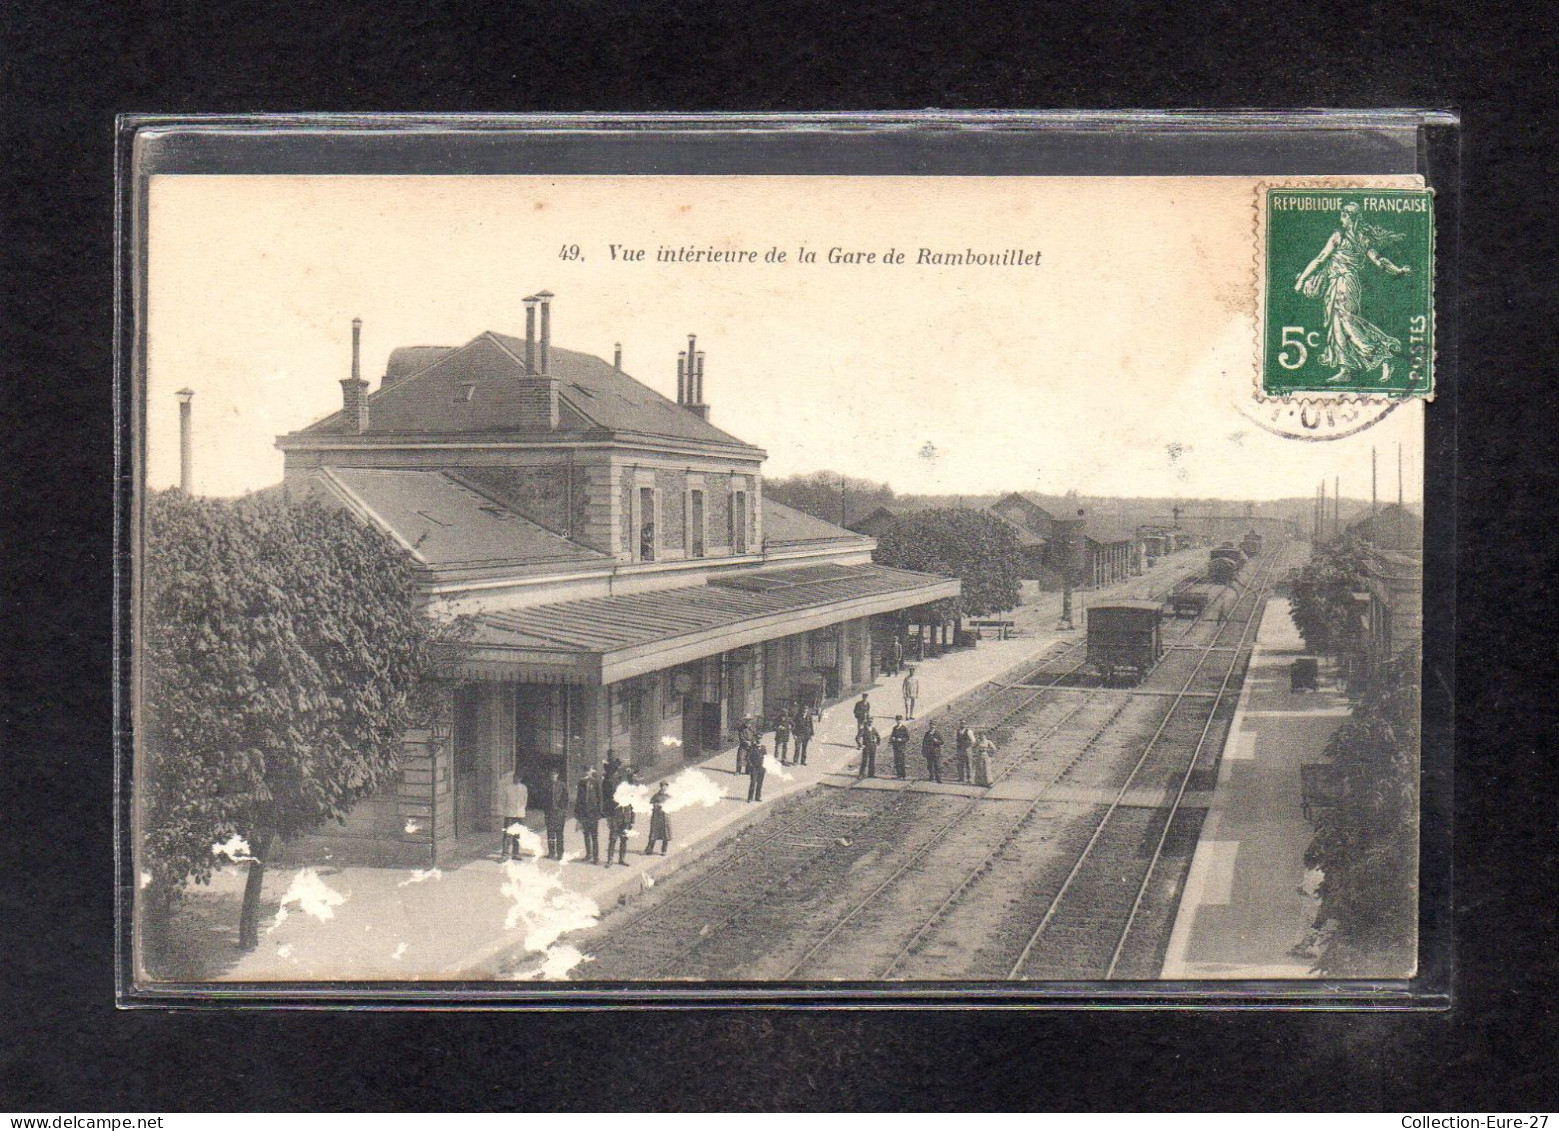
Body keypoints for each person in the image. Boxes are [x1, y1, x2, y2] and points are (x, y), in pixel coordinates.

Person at [1293, 202, 1412, 384]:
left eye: (1343, 216)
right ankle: (1346, 368)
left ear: (1349, 218)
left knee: (1347, 321)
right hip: (1339, 283)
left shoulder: (1339, 237)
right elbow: (1379, 260)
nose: (1341, 219)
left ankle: (1382, 355)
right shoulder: (1363, 239)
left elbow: (1320, 259)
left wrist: (1302, 279)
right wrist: (1397, 270)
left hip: (1345, 283)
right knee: (1337, 325)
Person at [574, 766, 603, 864]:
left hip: (593, 813)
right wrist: (577, 814)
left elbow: (600, 798)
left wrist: (599, 812)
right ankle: (588, 854)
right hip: (584, 813)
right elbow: (578, 799)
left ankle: (596, 857)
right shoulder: (581, 783)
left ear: (591, 772)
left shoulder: (595, 782)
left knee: (594, 836)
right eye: (585, 771)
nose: (586, 773)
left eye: (588, 771)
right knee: (586, 834)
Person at [499, 770, 530, 861]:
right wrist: (506, 810)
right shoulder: (508, 788)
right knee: (507, 834)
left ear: (521, 779)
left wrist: (521, 810)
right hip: (509, 813)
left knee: (517, 834)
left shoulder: (524, 788)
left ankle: (515, 853)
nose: (517, 779)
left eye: (519, 778)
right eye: (515, 777)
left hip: (519, 814)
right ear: (513, 778)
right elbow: (503, 800)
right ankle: (504, 854)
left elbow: (525, 800)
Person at [606, 778, 635, 866]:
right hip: (615, 822)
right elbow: (608, 811)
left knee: (624, 840)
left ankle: (621, 859)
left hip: (625, 821)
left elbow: (633, 809)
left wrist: (632, 821)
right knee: (613, 840)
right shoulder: (613, 799)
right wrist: (609, 821)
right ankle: (610, 860)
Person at [543, 769, 569, 860]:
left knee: (559, 833)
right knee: (550, 833)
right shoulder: (547, 785)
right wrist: (546, 811)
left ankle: (560, 853)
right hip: (549, 812)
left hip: (559, 812)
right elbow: (544, 799)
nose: (553, 776)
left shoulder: (562, 785)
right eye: (551, 774)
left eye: (555, 774)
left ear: (557, 775)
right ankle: (551, 852)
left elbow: (566, 798)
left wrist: (563, 810)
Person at [644, 782, 671, 855]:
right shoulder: (656, 796)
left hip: (665, 817)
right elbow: (651, 803)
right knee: (653, 834)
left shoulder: (668, 796)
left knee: (665, 834)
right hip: (656, 817)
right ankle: (649, 849)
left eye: (665, 786)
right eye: (663, 786)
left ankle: (664, 850)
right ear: (661, 787)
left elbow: (672, 805)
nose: (664, 788)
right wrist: (655, 805)